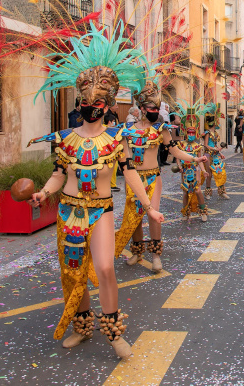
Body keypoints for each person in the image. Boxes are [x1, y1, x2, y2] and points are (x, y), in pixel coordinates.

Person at [26, 24, 165, 359]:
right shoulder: (63, 139)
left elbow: (130, 173)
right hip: (69, 212)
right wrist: (44, 193)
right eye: (86, 102)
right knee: (73, 275)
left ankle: (114, 332)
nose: (92, 107)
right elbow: (59, 175)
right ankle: (82, 327)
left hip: (100, 210)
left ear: (107, 105)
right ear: (79, 102)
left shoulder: (118, 139)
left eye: (99, 102)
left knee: (104, 267)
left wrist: (148, 206)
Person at [115, 68, 207, 273]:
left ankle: (155, 254)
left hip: (153, 178)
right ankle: (137, 252)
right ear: (140, 107)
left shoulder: (161, 129)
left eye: (157, 107)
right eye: (151, 107)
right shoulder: (126, 130)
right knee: (135, 216)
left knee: (152, 214)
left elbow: (175, 150)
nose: (155, 110)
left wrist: (194, 157)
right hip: (133, 178)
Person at [172, 103, 211, 222]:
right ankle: (186, 212)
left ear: (196, 133)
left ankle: (203, 212)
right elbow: (177, 156)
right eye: (189, 133)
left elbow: (199, 161)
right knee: (185, 192)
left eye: (193, 133)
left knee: (198, 191)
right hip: (185, 170)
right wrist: (179, 166)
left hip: (195, 170)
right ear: (185, 131)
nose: (190, 135)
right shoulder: (181, 145)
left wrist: (204, 170)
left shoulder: (198, 146)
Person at [202, 104, 230, 200]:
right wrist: (214, 149)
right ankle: (208, 193)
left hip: (215, 155)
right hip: (208, 155)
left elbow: (215, 145)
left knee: (220, 172)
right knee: (209, 174)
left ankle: (222, 192)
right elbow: (206, 145)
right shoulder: (207, 133)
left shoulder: (216, 133)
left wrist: (220, 152)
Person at [104, 103, 121, 192]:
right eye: (113, 122)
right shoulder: (107, 130)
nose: (114, 123)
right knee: (112, 169)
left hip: (111, 152)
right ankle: (111, 185)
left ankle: (111, 184)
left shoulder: (107, 129)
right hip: (109, 153)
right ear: (110, 122)